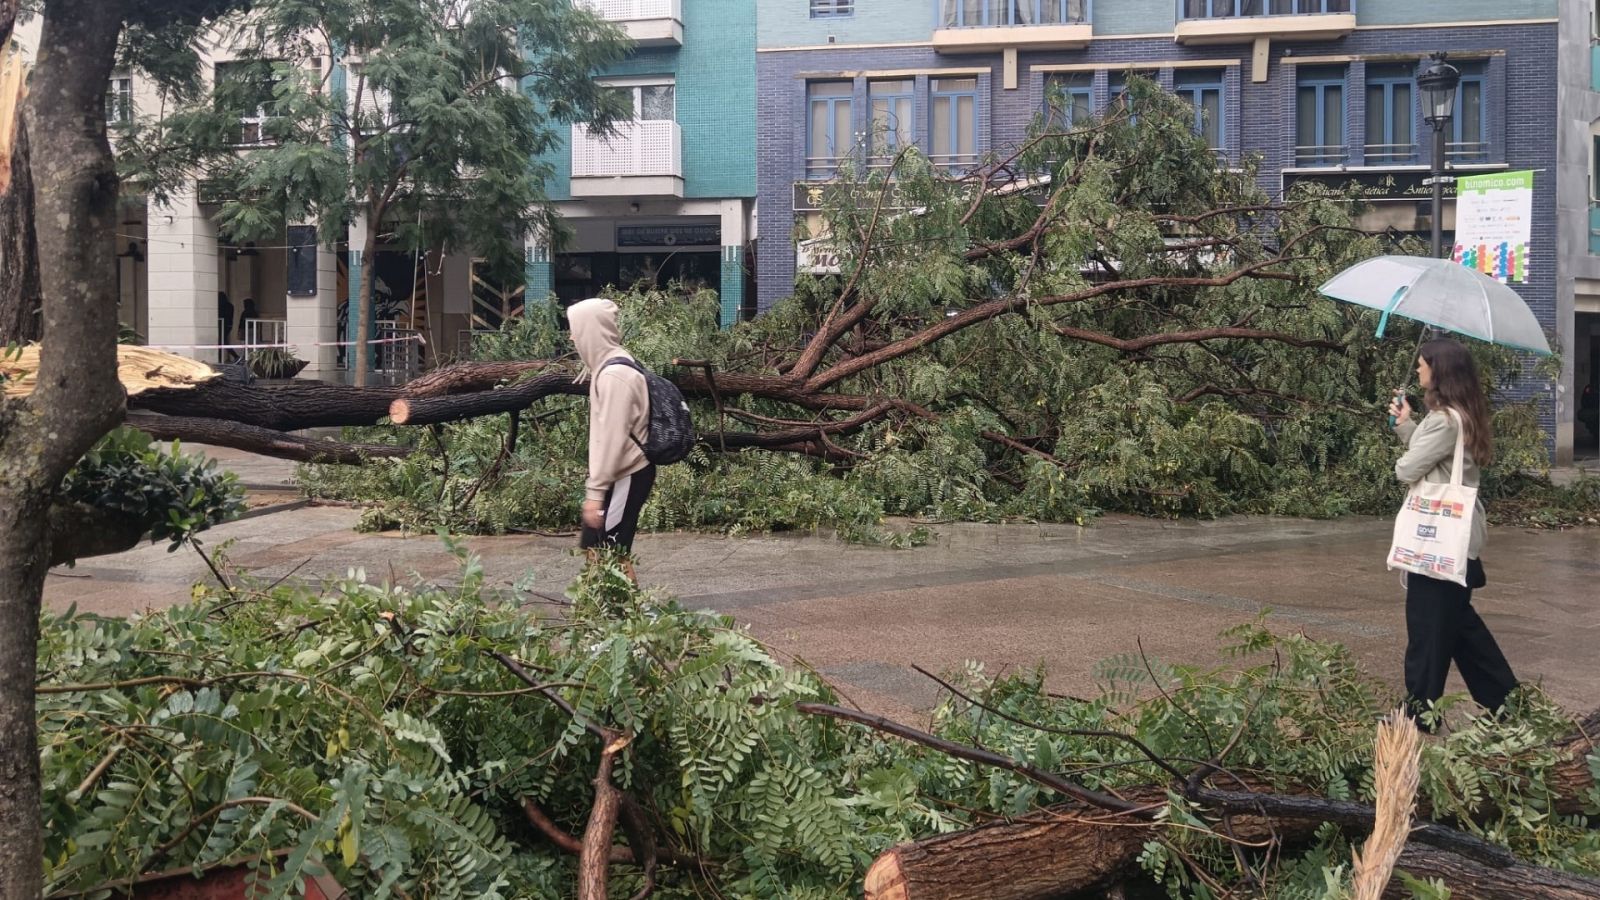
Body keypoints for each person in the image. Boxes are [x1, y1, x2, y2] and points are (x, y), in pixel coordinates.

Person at [1389, 338, 1518, 728]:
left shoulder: (1445, 419)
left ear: (1439, 370)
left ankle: (1417, 716)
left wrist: (1409, 440)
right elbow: (1437, 459)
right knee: (1462, 631)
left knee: (1427, 631)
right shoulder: (1461, 414)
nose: (1418, 369)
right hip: (1458, 539)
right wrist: (1408, 423)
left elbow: (1407, 469)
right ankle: (1507, 704)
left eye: (1423, 364)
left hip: (1439, 540)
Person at [569, 297, 655, 564]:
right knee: (595, 550)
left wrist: (595, 494)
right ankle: (598, 606)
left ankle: (630, 607)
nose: (572, 337)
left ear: (590, 331)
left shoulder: (615, 376)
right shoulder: (606, 367)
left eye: (575, 329)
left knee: (613, 556)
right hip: (614, 474)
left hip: (627, 473)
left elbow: (611, 440)